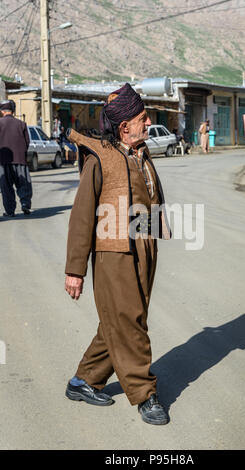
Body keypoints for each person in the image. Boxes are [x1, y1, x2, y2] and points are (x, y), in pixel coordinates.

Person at [64, 83, 171, 425]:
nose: (148, 121)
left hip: (142, 246)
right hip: (114, 251)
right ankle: (144, 394)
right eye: (143, 118)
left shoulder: (140, 152)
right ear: (125, 126)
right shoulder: (101, 158)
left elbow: (152, 196)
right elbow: (82, 215)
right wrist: (75, 270)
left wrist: (157, 232)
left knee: (121, 320)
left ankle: (83, 381)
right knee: (129, 322)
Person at [0, 100, 32, 217]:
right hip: (20, 159)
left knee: (6, 186)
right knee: (23, 183)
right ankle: (25, 204)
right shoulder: (21, 124)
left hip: (3, 161)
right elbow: (27, 142)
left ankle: (10, 211)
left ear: (2, 111)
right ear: (12, 111)